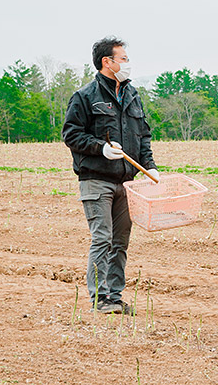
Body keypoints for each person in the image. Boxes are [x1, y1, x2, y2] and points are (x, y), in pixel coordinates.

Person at [62, 37, 159, 314]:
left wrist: (149, 165)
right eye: (123, 59)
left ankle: (114, 296)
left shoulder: (132, 95)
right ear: (108, 62)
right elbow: (71, 134)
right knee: (102, 238)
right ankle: (99, 298)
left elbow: (143, 135)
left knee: (120, 242)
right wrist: (101, 148)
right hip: (96, 180)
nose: (127, 64)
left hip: (127, 182)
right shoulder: (85, 96)